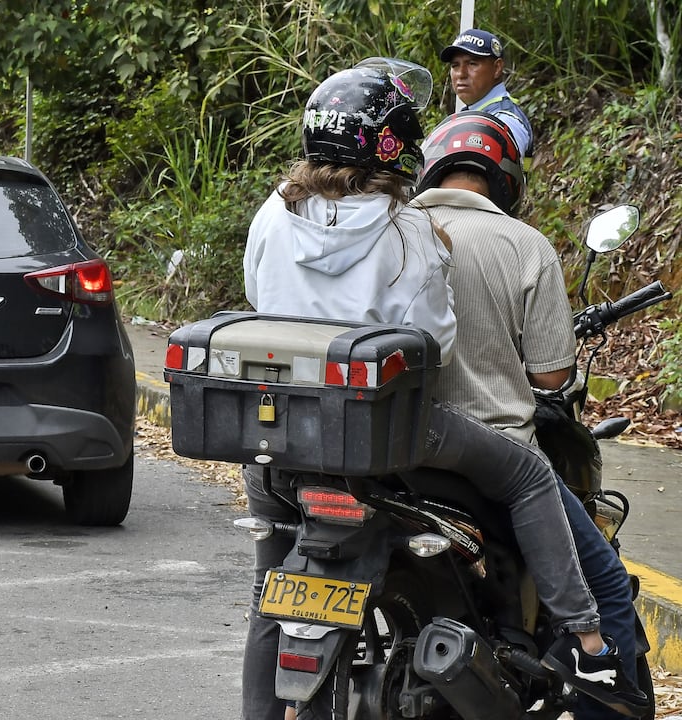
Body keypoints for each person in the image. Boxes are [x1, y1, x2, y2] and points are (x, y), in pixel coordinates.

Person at [239, 58, 648, 720]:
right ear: (395, 145)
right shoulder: (405, 228)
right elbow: (434, 345)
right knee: (529, 477)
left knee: (269, 588)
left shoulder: (273, 212)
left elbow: (259, 298)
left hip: (285, 433)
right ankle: (589, 644)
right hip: (389, 434)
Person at [413, 111, 645, 720]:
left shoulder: (393, 232)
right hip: (497, 451)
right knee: (606, 582)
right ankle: (606, 696)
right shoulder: (524, 244)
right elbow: (550, 377)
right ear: (506, 181)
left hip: (395, 448)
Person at [441, 28, 534, 156]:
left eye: (472, 64)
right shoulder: (471, 114)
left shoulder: (505, 122)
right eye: (455, 65)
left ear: (497, 68)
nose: (461, 74)